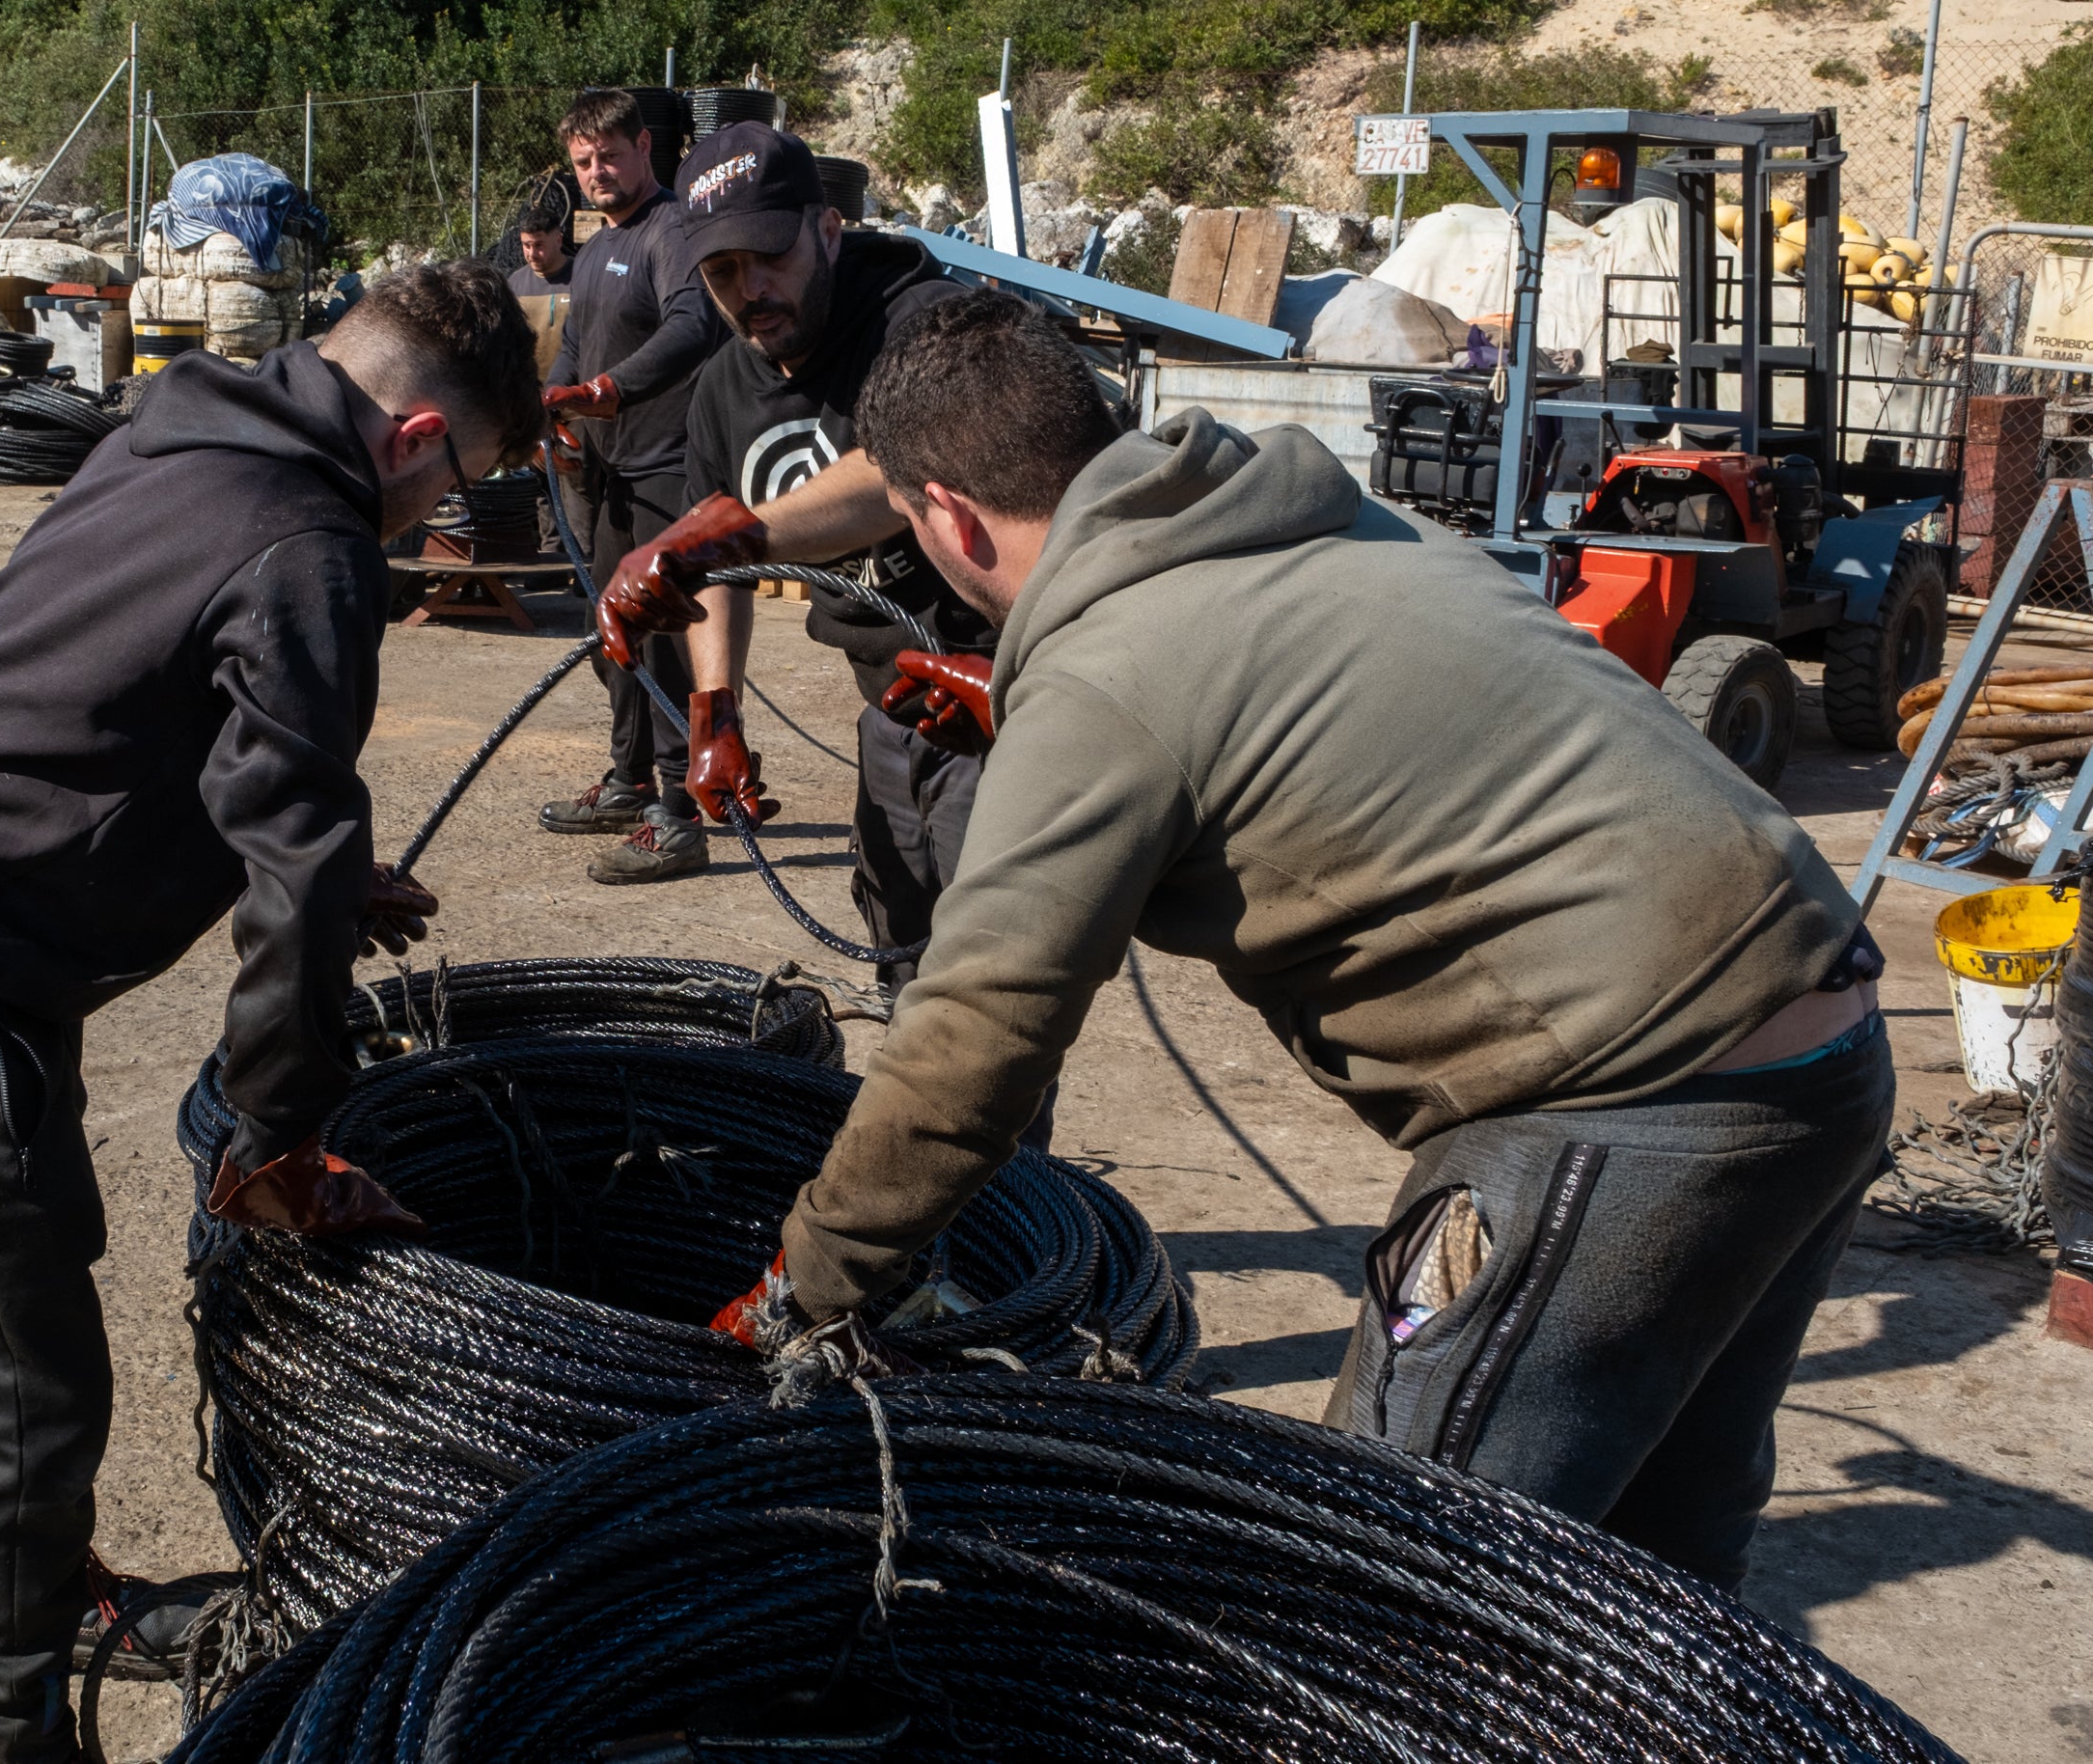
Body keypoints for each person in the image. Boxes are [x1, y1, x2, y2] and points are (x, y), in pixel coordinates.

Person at [710, 289, 1893, 1597]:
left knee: (1370, 1585)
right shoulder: (1305, 517)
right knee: (1652, 1573)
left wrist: (807, 1284)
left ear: (936, 514)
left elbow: (972, 1038)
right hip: (1816, 1033)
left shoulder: (1108, 673)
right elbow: (1279, 698)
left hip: (1627, 1101)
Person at [0, 261, 541, 1764]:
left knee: (40, 1275)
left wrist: (295, 871)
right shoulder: (311, 547)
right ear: (418, 431)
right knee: (23, 1394)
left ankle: (54, 1605)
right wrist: (282, 1143)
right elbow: (294, 853)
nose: (445, 516)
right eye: (465, 478)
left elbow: (127, 691)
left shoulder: (181, 425)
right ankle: (9, 1737)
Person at [591, 122, 1000, 986]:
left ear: (825, 230)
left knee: (988, 972)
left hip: (996, 695)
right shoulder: (721, 388)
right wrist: (715, 714)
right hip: (888, 701)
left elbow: (903, 465)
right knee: (896, 931)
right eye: (722, 272)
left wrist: (724, 538)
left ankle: (994, 1125)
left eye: (767, 256)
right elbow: (721, 577)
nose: (750, 289)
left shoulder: (923, 321)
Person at [533, 87, 727, 883]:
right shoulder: (599, 245)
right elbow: (578, 337)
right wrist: (554, 406)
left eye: (609, 155)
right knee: (613, 640)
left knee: (665, 641)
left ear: (645, 148)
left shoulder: (670, 230)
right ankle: (627, 782)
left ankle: (677, 818)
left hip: (667, 470)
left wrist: (608, 393)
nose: (596, 172)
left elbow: (694, 324)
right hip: (609, 471)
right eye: (583, 162)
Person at [508, 188, 576, 294]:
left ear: (558, 241)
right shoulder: (515, 283)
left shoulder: (582, 276)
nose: (532, 254)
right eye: (527, 245)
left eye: (539, 245)